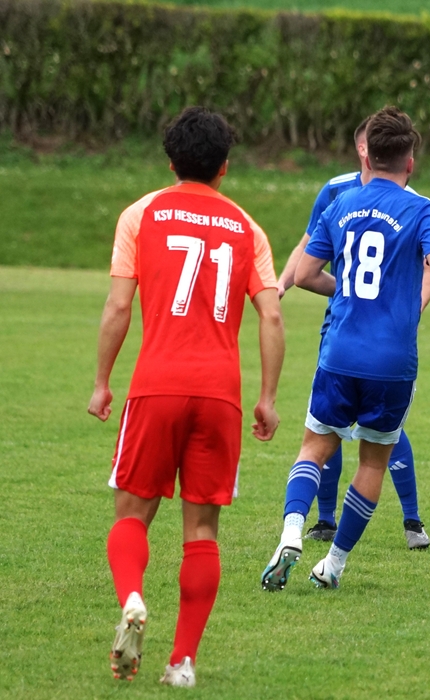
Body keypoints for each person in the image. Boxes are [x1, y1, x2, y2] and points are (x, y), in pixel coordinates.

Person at [88, 107, 285, 686]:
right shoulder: (247, 227)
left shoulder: (141, 214)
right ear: (224, 167)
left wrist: (102, 381)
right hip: (220, 394)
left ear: (171, 161)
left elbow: (119, 305)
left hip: (157, 385)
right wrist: (267, 397)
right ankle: (182, 663)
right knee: (202, 531)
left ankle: (132, 597)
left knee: (132, 513)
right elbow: (271, 315)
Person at [264, 106, 430, 591]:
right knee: (373, 461)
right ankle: (332, 564)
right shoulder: (423, 209)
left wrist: (350, 291)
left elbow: (306, 273)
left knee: (314, 447)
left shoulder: (341, 203)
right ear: (410, 161)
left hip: (339, 352)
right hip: (392, 362)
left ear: (367, 156)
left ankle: (291, 533)